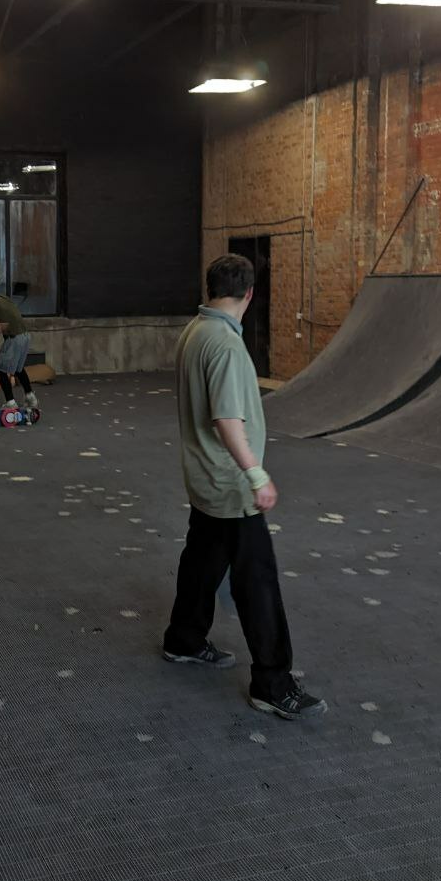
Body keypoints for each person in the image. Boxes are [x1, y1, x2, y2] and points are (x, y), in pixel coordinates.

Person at [161, 253, 327, 722]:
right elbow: (226, 419)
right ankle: (273, 684)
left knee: (203, 558)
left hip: (204, 478)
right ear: (250, 294)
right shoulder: (226, 345)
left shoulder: (194, 331)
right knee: (258, 581)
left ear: (211, 288)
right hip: (231, 485)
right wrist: (255, 473)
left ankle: (184, 638)